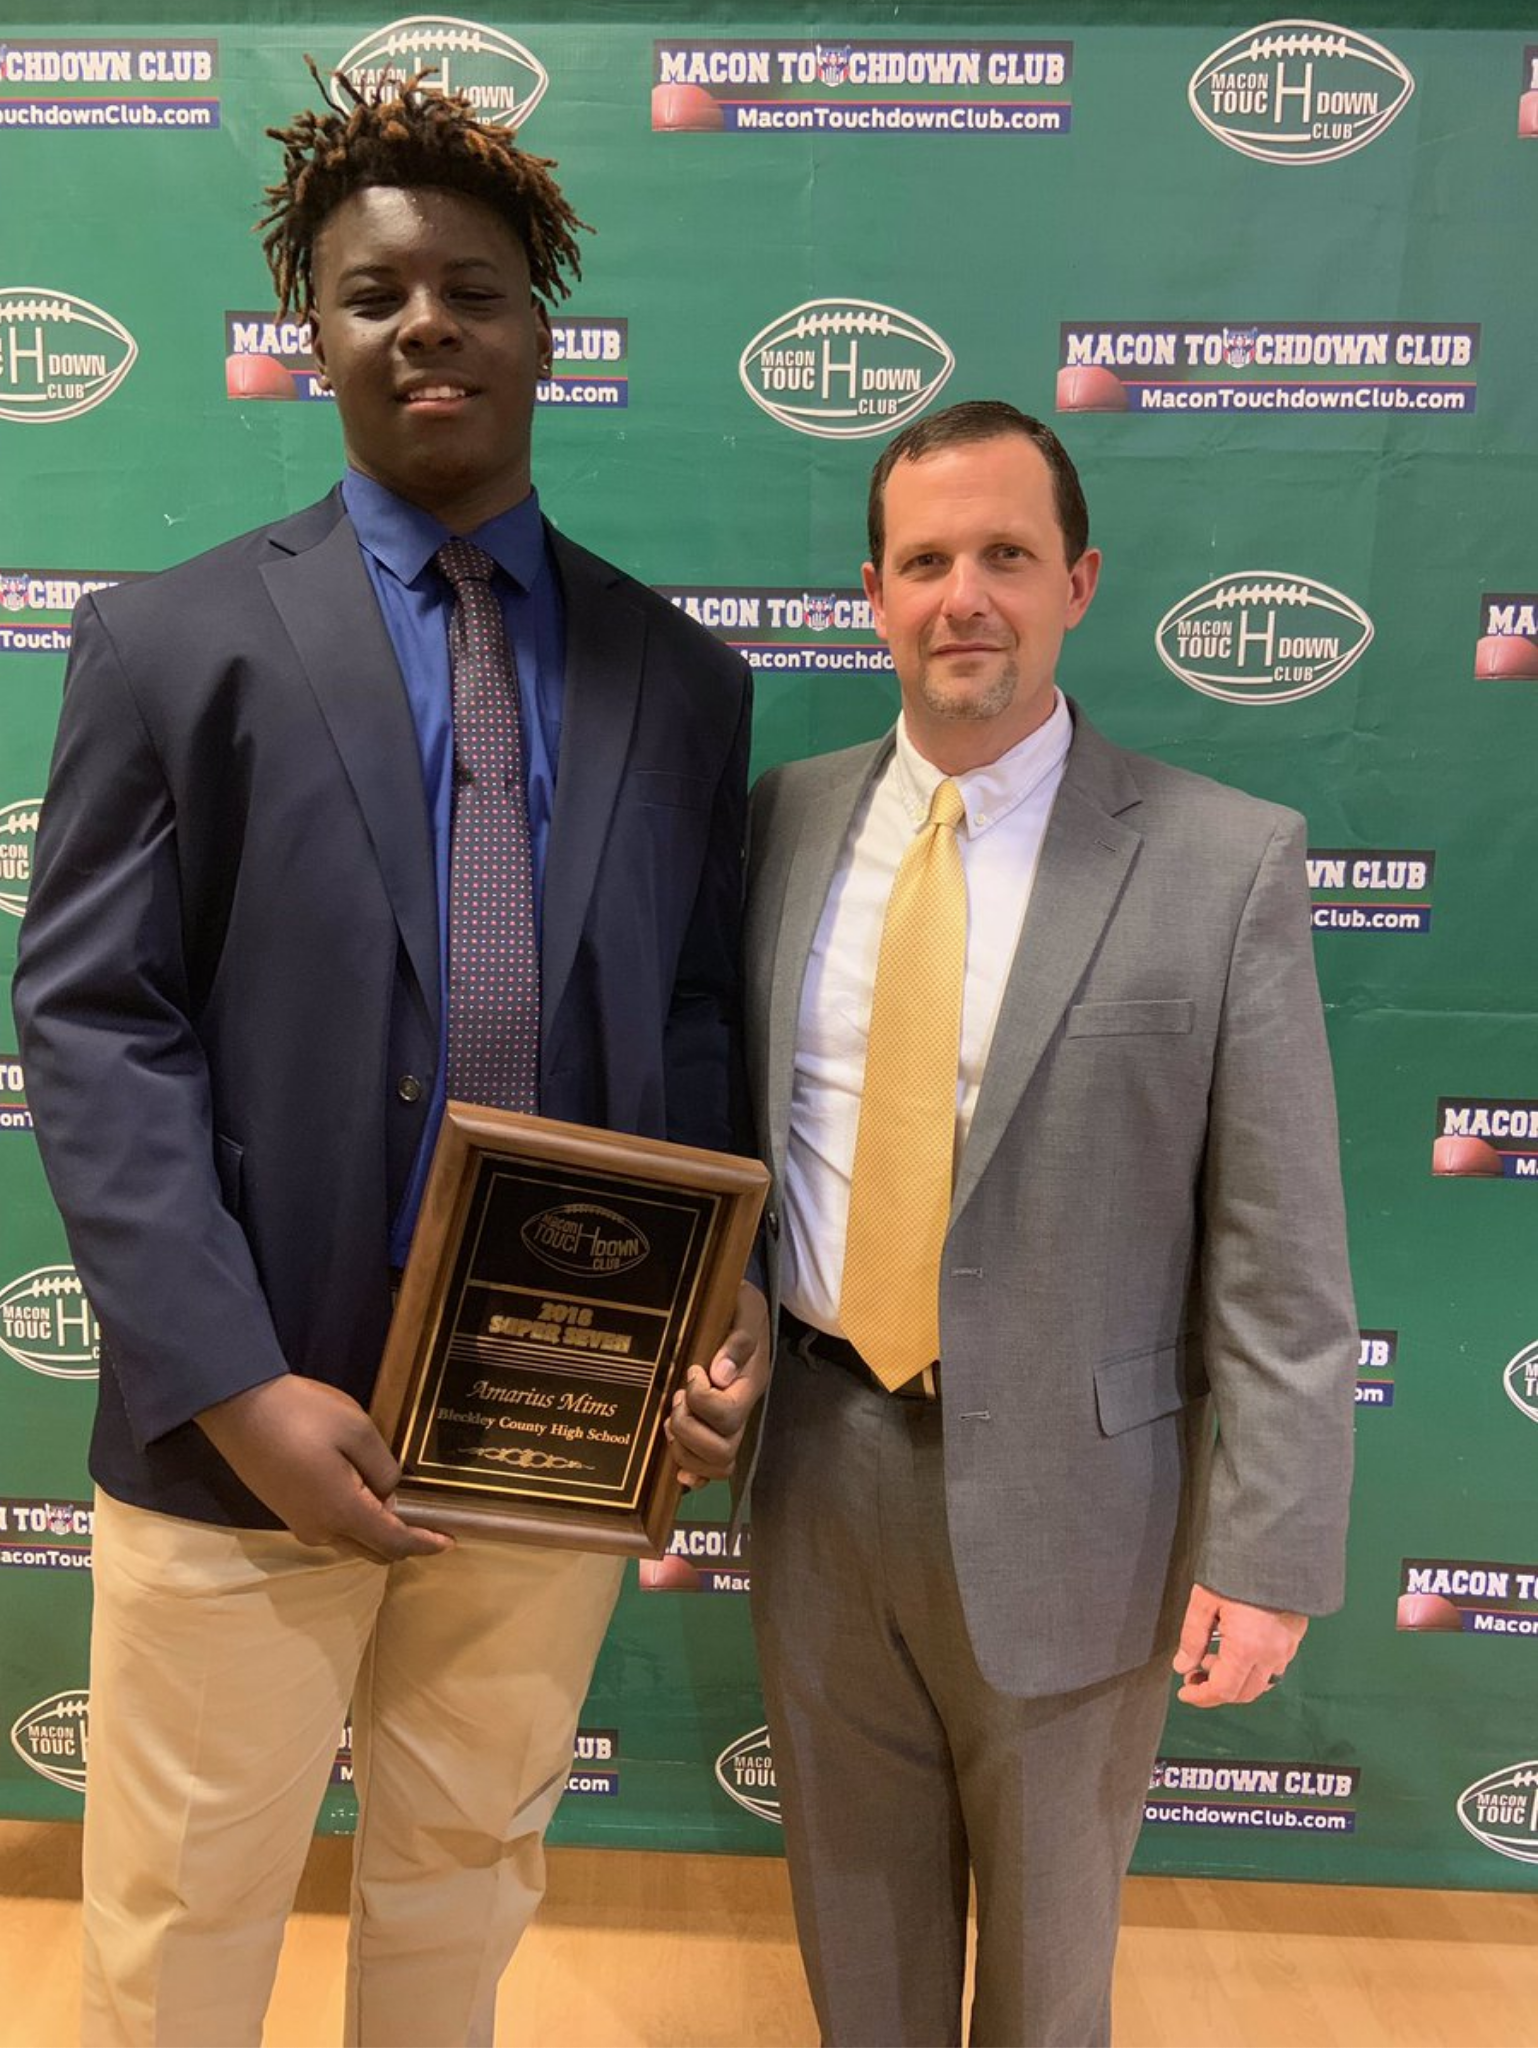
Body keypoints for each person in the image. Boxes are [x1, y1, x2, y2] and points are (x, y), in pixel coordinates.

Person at [13, 70, 764, 2048]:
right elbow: (95, 1023)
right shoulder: (169, 646)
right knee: (183, 1923)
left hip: (550, 1434)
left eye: (472, 289)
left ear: (543, 330)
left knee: (466, 1886)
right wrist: (233, 1380)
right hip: (245, 1427)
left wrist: (714, 1311)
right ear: (312, 337)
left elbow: (693, 1026)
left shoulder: (682, 678)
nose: (425, 323)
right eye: (373, 295)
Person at [719, 400, 1357, 2047]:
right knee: (855, 1950)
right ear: (871, 594)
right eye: (925, 560)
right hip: (816, 1467)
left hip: (1088, 1507)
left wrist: (1269, 1554)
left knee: (1049, 1976)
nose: (964, 597)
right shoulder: (776, 828)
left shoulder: (1221, 862)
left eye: (1005, 554)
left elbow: (1280, 1257)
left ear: (1075, 582)